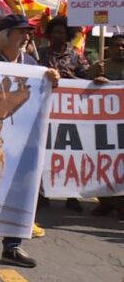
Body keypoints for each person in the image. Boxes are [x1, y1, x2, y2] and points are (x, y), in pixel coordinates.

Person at [0, 14, 60, 273]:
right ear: (4, 36)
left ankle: (12, 245)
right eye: (21, 31)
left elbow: (43, 93)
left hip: (21, 143)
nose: (26, 36)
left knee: (17, 191)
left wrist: (52, 79)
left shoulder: (32, 63)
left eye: (27, 32)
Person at [36, 16, 87, 213]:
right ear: (49, 35)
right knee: (44, 152)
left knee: (70, 154)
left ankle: (72, 196)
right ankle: (41, 195)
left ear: (68, 35)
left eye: (62, 33)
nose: (58, 36)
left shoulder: (76, 57)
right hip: (45, 112)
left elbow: (85, 78)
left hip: (70, 114)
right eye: (55, 32)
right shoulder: (40, 54)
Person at [88, 33, 124, 221]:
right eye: (117, 45)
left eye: (123, 45)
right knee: (104, 162)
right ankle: (105, 203)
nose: (120, 48)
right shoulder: (100, 66)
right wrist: (96, 77)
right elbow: (82, 88)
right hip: (104, 124)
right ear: (108, 48)